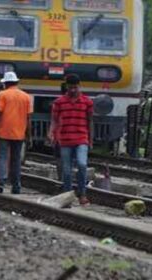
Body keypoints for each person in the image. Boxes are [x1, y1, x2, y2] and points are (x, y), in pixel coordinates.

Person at [49, 74, 93, 206]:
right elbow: (54, 120)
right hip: (65, 140)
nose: (73, 90)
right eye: (70, 87)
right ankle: (67, 195)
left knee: (82, 164)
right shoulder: (59, 102)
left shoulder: (87, 102)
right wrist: (51, 133)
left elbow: (90, 121)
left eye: (75, 87)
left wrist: (91, 140)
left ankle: (82, 194)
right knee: (66, 170)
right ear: (66, 87)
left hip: (82, 138)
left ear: (79, 86)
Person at [0, 72, 32, 194]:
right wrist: (29, 135)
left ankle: (1, 182)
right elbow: (28, 118)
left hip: (3, 131)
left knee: (2, 156)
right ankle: (16, 185)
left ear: (5, 83)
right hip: (19, 133)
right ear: (16, 82)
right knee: (16, 159)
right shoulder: (26, 97)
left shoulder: (3, 94)